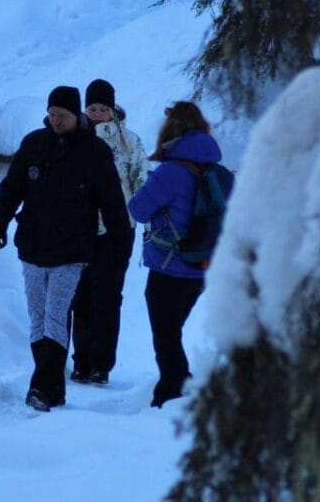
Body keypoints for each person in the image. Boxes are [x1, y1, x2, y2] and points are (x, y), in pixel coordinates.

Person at [0, 85, 131, 412]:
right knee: (37, 318)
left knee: (55, 316)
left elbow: (112, 201)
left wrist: (121, 243)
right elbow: (12, 188)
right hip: (33, 246)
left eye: (62, 116)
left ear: (75, 114)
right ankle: (55, 388)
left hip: (72, 251)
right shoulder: (34, 144)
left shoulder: (94, 151)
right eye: (51, 115)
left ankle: (40, 387)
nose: (56, 121)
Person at [127, 101, 223, 408]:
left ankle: (171, 395)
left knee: (165, 336)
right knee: (173, 332)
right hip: (203, 266)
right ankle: (177, 386)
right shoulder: (217, 170)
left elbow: (138, 210)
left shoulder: (170, 171)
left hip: (170, 268)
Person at [69, 79, 146, 385]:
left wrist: (141, 217)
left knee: (108, 296)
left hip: (117, 230)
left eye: (103, 108)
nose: (98, 113)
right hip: (80, 230)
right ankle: (81, 361)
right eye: (93, 108)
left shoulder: (130, 142)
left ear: (113, 110)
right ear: (85, 109)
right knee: (80, 297)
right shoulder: (75, 139)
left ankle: (102, 364)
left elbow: (141, 181)